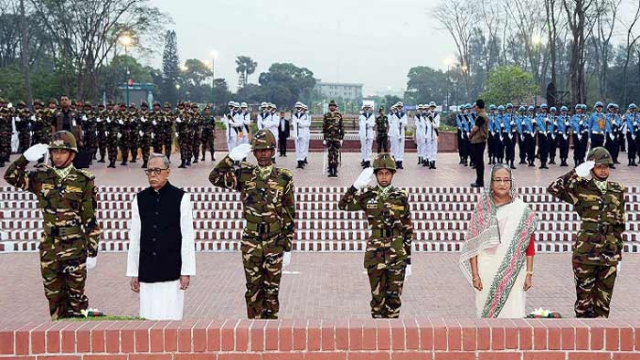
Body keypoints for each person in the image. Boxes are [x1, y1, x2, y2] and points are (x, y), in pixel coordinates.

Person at [4, 131, 101, 319]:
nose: (57, 156)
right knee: (54, 299)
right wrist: (24, 159)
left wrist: (92, 252)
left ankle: (79, 340)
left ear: (72, 155)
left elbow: (90, 220)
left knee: (76, 301)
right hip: (50, 247)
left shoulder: (83, 180)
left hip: (74, 247)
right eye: (54, 151)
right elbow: (11, 177)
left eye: (62, 152)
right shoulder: (41, 177)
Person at [209, 130, 295, 319]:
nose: (262, 154)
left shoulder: (284, 177)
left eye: (266, 150)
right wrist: (230, 159)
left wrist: (287, 247)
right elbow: (214, 177)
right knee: (253, 289)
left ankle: (271, 331)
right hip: (251, 241)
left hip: (275, 240)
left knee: (272, 290)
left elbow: (289, 214)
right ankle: (255, 331)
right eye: (258, 150)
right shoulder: (244, 175)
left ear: (273, 151)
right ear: (253, 153)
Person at [547, 147, 626, 318]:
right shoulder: (581, 188)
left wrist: (618, 255)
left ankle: (601, 344)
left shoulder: (617, 190)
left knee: (603, 307)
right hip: (586, 254)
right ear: (591, 167)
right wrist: (576, 172)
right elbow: (553, 188)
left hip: (609, 254)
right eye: (599, 166)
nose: (604, 170)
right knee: (584, 306)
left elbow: (619, 225)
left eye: (606, 166)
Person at [338, 153, 413, 318]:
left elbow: (408, 228)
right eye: (380, 173)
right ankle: (379, 340)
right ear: (376, 175)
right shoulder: (368, 196)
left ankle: (392, 340)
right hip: (375, 253)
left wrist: (408, 259)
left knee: (394, 300)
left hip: (396, 252)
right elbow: (343, 205)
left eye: (387, 173)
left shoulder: (401, 196)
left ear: (393, 174)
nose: (384, 177)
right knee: (377, 299)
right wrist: (355, 187)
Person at [459, 164, 538, 318]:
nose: (502, 184)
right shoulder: (482, 210)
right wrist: (475, 275)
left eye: (506, 180)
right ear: (491, 183)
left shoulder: (522, 210)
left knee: (514, 315)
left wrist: (529, 273)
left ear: (512, 182)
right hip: (486, 270)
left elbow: (529, 244)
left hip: (513, 273)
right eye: (498, 180)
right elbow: (473, 245)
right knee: (486, 317)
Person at [126, 153, 196, 320]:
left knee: (171, 317)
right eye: (149, 171)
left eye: (157, 171)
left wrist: (186, 271)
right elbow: (135, 237)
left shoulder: (181, 198)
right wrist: (133, 272)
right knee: (148, 318)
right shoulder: (140, 199)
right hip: (147, 268)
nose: (152, 175)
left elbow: (187, 236)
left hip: (172, 268)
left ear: (168, 172)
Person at [469, 100, 489, 187]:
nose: (474, 108)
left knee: (479, 162)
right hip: (480, 140)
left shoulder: (481, 116)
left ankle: (480, 181)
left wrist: (470, 135)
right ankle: (479, 180)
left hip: (479, 140)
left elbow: (476, 128)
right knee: (478, 161)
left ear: (478, 106)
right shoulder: (483, 115)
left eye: (475, 106)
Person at [323, 100, 344, 177]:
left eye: (333, 106)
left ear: (335, 107)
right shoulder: (326, 115)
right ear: (329, 107)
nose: (332, 107)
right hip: (329, 137)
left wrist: (342, 137)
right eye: (331, 106)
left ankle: (335, 171)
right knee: (330, 154)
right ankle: (330, 171)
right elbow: (324, 127)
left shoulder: (339, 115)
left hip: (336, 137)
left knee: (335, 154)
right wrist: (324, 138)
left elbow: (341, 126)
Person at [293, 102, 311, 169]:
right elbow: (294, 125)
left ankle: (302, 160)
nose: (298, 109)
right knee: (297, 148)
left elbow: (307, 124)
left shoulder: (305, 115)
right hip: (297, 132)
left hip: (304, 131)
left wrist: (300, 123)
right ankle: (298, 162)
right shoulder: (294, 115)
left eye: (299, 107)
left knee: (303, 147)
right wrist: (295, 134)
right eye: (297, 108)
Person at [358, 104, 375, 168]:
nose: (367, 108)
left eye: (368, 107)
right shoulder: (361, 116)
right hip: (363, 133)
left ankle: (368, 161)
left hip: (370, 133)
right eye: (366, 108)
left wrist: (368, 124)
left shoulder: (372, 116)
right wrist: (366, 124)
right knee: (364, 148)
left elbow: (373, 123)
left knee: (369, 148)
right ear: (363, 109)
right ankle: (364, 161)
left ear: (370, 109)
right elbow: (361, 124)